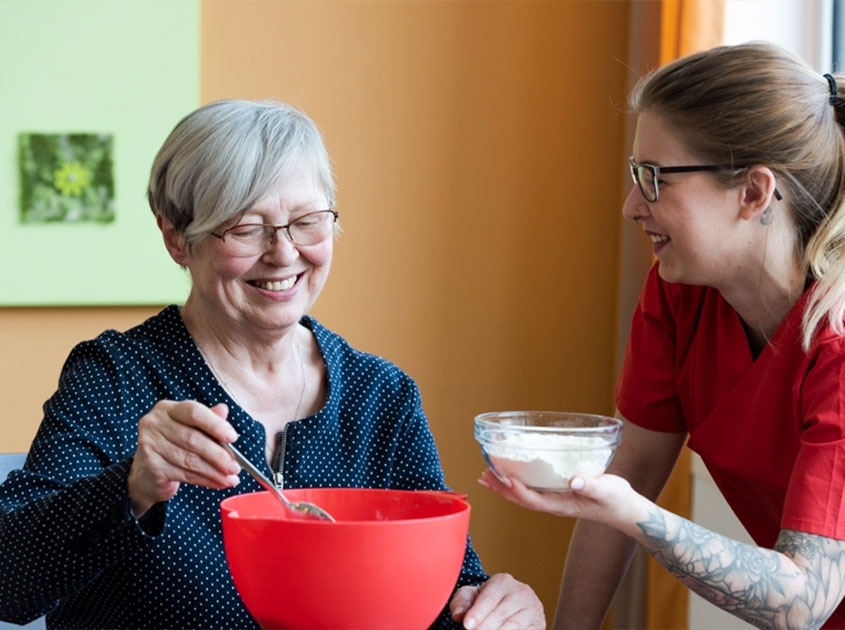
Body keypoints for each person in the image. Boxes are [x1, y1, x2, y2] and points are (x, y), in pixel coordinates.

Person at [0, 98, 545, 630]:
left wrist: (494, 608)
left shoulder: (381, 396)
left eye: (307, 221)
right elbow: (10, 581)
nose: (283, 254)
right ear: (176, 239)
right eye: (244, 227)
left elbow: (444, 597)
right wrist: (134, 485)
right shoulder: (115, 376)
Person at [479, 41, 845, 630]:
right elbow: (633, 470)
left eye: (655, 179)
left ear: (753, 192)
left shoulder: (836, 345)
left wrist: (633, 513)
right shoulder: (680, 294)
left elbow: (804, 600)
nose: (630, 206)